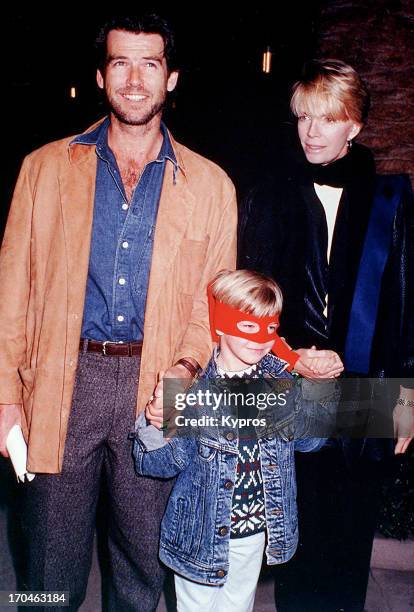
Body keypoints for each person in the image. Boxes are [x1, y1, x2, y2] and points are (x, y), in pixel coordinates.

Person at [0, 14, 239, 612]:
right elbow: (12, 291)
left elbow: (212, 303)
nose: (135, 81)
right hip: (62, 382)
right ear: (101, 75)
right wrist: (6, 398)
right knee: (47, 568)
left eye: (150, 64)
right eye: (121, 64)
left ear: (172, 77)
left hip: (155, 388)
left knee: (141, 568)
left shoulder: (211, 186)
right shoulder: (44, 169)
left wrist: (182, 375)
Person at [238, 59, 414, 611]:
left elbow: (405, 306)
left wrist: (405, 405)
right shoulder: (269, 193)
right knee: (296, 535)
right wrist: (291, 356)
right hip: (292, 382)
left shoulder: (390, 198)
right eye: (303, 118)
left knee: (349, 540)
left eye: (326, 119)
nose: (311, 131)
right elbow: (248, 292)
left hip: (365, 389)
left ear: (354, 125)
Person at [133, 269, 340, 612]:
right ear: (221, 323)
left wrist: (319, 386)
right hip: (199, 533)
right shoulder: (192, 390)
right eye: (248, 326)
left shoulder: (280, 382)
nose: (261, 338)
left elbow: (310, 442)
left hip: (255, 530)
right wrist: (156, 420)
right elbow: (158, 464)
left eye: (270, 327)